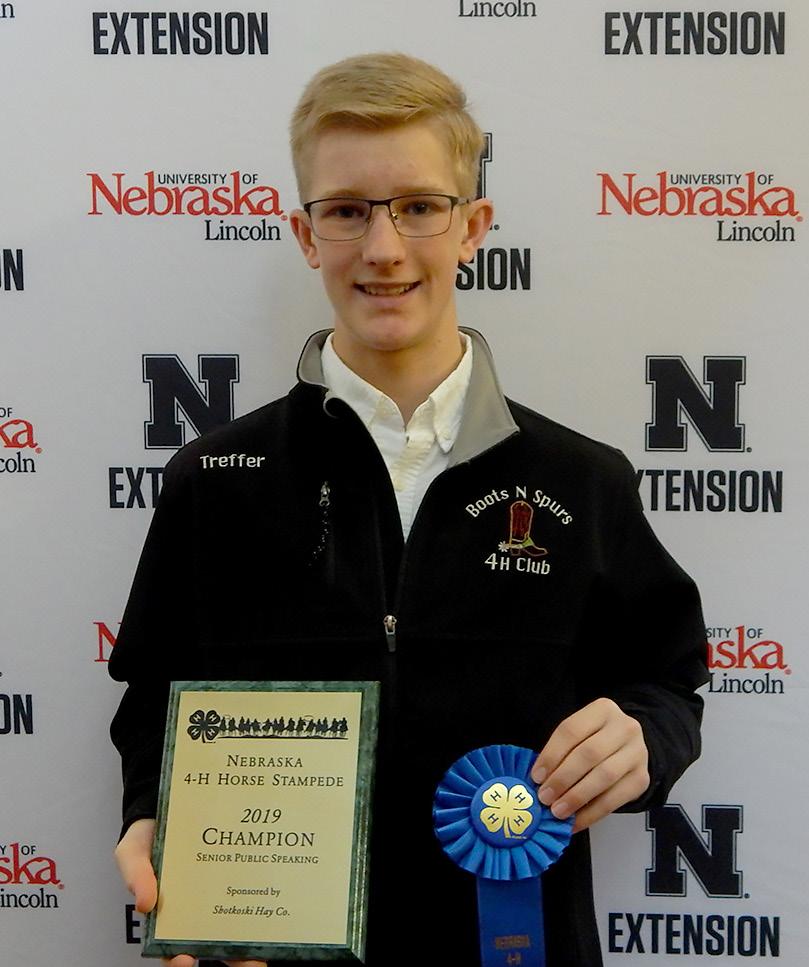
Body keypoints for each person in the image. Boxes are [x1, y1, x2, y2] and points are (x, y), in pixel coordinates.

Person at [109, 52, 707, 967]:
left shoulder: (583, 481)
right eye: (347, 210)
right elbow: (152, 696)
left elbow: (667, 680)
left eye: (420, 207)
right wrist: (152, 815)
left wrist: (642, 739)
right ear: (306, 235)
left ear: (473, 227)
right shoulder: (213, 479)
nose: (383, 248)